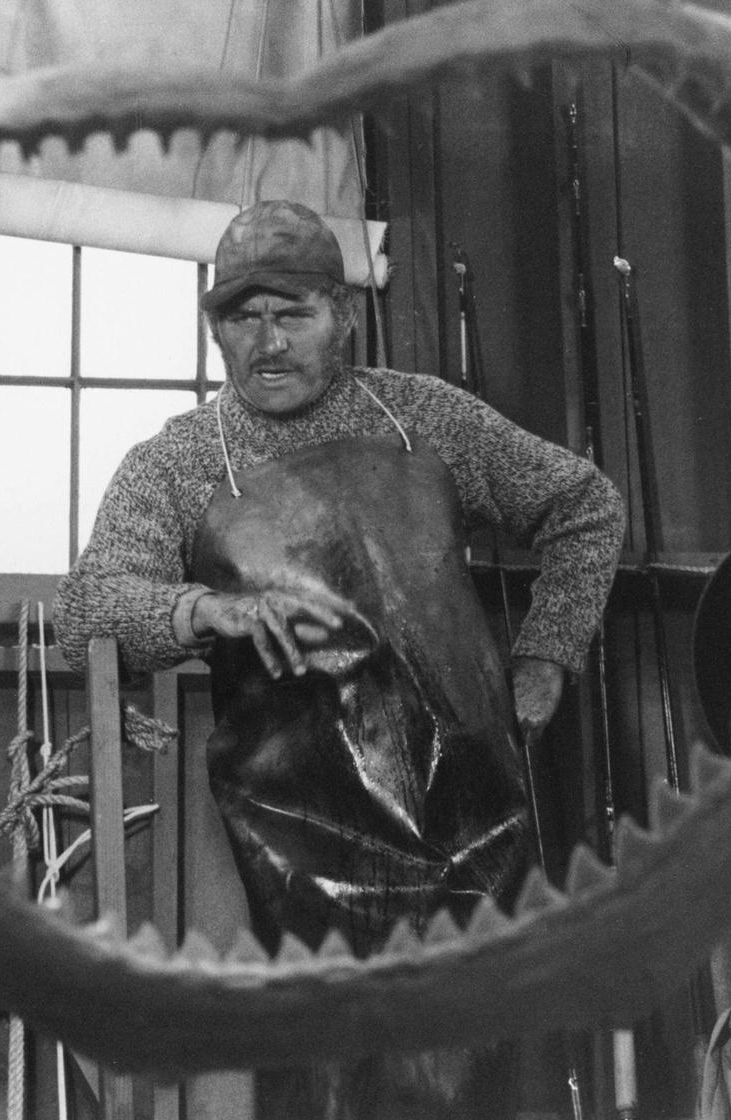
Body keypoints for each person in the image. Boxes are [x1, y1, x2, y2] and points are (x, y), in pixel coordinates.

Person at [53, 199, 623, 1118]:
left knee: (496, 1081)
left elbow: (585, 505)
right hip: (300, 848)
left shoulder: (427, 420)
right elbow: (88, 610)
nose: (268, 343)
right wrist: (204, 609)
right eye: (243, 318)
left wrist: (548, 652)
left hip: (473, 822)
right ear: (216, 332)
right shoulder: (181, 463)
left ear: (343, 316)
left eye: (294, 314)